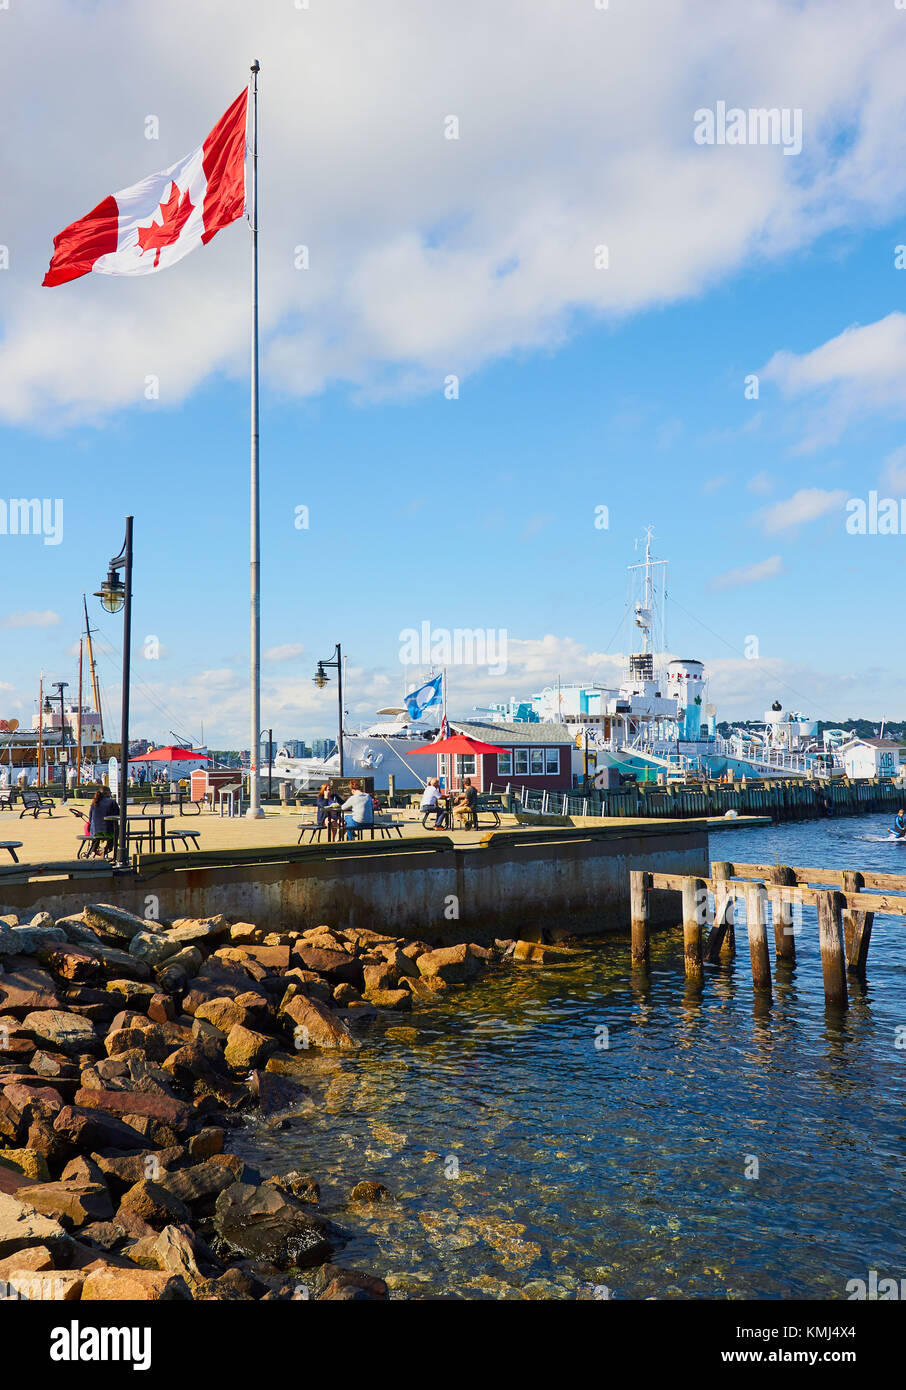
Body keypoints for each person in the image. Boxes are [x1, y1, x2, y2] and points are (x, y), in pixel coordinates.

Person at [88, 785, 119, 857]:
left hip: (95, 831)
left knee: (97, 834)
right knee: (115, 833)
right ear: (107, 793)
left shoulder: (94, 802)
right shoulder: (112, 802)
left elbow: (90, 818)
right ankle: (107, 848)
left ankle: (93, 850)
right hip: (108, 831)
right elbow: (118, 816)